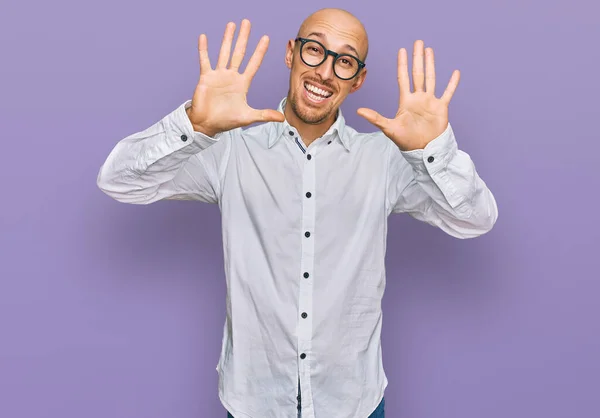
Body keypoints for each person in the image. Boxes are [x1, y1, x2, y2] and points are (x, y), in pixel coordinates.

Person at [96, 7, 498, 418]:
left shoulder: (385, 159)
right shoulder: (231, 150)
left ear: (357, 79)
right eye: (314, 50)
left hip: (353, 403)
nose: (325, 72)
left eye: (343, 60)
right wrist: (195, 125)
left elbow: (474, 218)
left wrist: (431, 151)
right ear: (291, 53)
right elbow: (119, 181)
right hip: (255, 401)